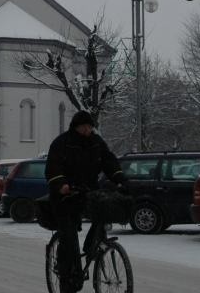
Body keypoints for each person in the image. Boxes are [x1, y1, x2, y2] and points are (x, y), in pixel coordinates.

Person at [45, 110, 126, 293]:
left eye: (90, 127)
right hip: (65, 196)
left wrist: (119, 178)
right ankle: (67, 277)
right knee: (69, 236)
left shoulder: (96, 143)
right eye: (84, 127)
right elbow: (52, 168)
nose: (87, 130)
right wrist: (61, 185)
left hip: (88, 192)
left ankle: (91, 246)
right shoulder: (62, 143)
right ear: (75, 127)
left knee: (103, 214)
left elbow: (109, 161)